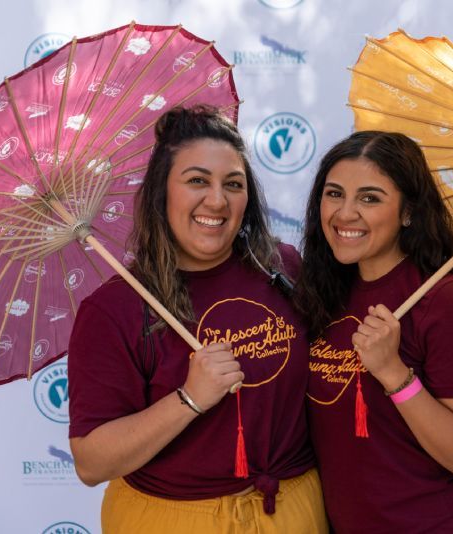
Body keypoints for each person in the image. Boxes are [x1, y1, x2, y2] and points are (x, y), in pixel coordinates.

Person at [67, 106, 327, 533]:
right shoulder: (113, 309)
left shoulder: (283, 268)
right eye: (197, 181)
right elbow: (92, 463)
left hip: (290, 511)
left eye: (233, 184)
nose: (217, 200)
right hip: (173, 520)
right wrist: (190, 399)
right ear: (162, 193)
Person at [296, 131, 453, 533]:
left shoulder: (446, 302)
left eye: (370, 198)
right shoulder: (324, 291)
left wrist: (393, 373)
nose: (345, 213)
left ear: (408, 212)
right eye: (334, 194)